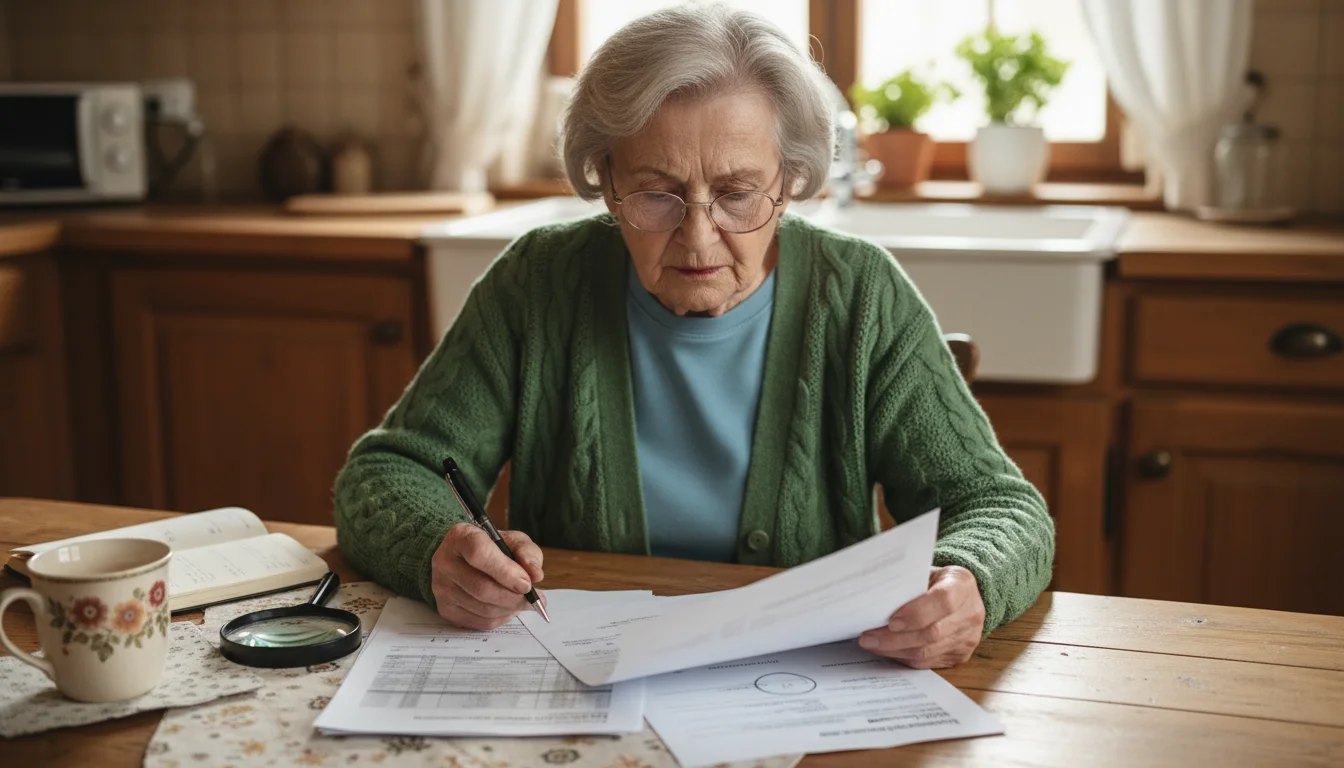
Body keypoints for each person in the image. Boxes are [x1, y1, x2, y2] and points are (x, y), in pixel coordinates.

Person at [334, 5, 1053, 670]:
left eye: (738, 192)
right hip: (579, 678)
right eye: (657, 193)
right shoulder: (537, 283)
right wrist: (439, 548)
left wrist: (972, 581)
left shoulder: (860, 295)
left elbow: (999, 508)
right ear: (604, 178)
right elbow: (386, 474)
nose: (699, 235)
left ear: (791, 180)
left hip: (803, 682)